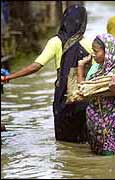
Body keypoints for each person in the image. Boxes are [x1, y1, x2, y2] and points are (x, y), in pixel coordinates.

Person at [1, 4, 92, 143]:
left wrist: (8, 77)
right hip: (83, 95)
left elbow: (35, 66)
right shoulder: (89, 43)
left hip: (63, 96)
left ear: (65, 19)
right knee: (83, 140)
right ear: (83, 21)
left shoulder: (55, 42)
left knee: (64, 143)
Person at [77, 33, 115, 155]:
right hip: (95, 127)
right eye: (92, 51)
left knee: (111, 160)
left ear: (108, 51)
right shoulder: (97, 69)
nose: (93, 55)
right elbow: (83, 91)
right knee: (99, 163)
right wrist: (81, 67)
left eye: (96, 51)